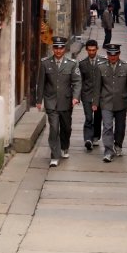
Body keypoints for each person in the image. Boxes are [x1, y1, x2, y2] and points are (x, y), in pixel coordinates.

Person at [36, 36, 81, 167]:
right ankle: (54, 156)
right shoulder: (45, 63)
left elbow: (77, 82)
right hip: (51, 101)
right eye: (56, 48)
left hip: (66, 102)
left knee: (66, 128)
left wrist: (75, 97)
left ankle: (65, 146)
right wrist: (39, 100)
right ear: (53, 49)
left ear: (65, 49)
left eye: (61, 48)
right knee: (54, 128)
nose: (58, 51)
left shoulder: (72, 64)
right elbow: (41, 83)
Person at [92, 44, 127, 162]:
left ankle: (118, 144)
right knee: (107, 126)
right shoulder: (100, 67)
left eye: (115, 54)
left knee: (120, 127)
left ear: (119, 54)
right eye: (110, 55)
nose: (112, 57)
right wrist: (95, 102)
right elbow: (97, 86)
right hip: (106, 102)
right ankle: (108, 150)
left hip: (121, 102)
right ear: (107, 55)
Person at [79, 39, 106, 151]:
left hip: (100, 95)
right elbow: (80, 80)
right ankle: (88, 139)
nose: (91, 52)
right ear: (86, 50)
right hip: (87, 94)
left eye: (93, 50)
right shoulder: (82, 63)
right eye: (89, 50)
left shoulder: (103, 62)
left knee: (98, 117)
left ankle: (95, 136)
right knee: (89, 117)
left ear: (97, 49)